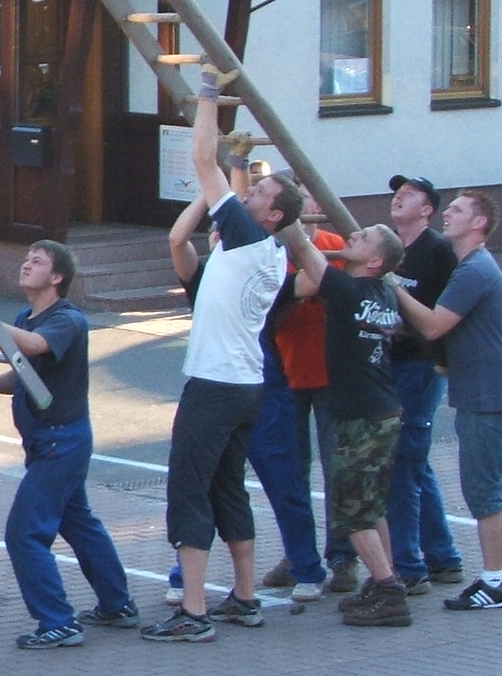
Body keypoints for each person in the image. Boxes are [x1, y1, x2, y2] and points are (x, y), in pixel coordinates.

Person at [146, 68, 293, 642]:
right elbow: (216, 194)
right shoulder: (264, 251)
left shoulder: (251, 239)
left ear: (272, 216)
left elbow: (201, 160)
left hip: (213, 384)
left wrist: (208, 95)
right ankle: (246, 597)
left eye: (258, 194)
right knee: (228, 487)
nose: (248, 194)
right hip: (246, 385)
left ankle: (193, 610)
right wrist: (241, 163)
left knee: (188, 489)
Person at [391, 191, 502, 610]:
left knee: (484, 491)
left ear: (478, 223)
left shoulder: (473, 269)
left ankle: (492, 582)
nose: (448, 215)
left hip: (485, 395)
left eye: (457, 210)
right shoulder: (479, 267)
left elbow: (433, 326)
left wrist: (392, 286)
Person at [0, 241, 136, 647]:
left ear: (56, 278)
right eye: (26, 257)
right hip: (47, 441)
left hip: (60, 442)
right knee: (78, 522)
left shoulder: (67, 319)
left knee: (24, 534)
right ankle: (117, 604)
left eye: (37, 261)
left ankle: (57, 621)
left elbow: (36, 346)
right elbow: (24, 375)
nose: (25, 264)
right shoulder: (25, 318)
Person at [285, 224, 411, 626]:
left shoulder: (348, 291)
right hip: (384, 410)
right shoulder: (383, 293)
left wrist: (290, 216)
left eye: (365, 237)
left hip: (360, 416)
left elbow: (303, 249)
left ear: (375, 261)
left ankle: (389, 593)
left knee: (352, 514)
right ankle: (385, 578)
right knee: (372, 506)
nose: (353, 235)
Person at [250, 197, 356, 602]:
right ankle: (298, 554)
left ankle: (343, 556)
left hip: (332, 375)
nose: (307, 215)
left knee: (338, 470)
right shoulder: (271, 253)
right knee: (290, 473)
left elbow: (333, 289)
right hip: (287, 374)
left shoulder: (337, 247)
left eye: (311, 205)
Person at [383, 176, 466, 594]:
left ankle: (408, 567)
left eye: (410, 193)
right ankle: (443, 557)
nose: (399, 197)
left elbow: (452, 309)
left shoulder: (438, 250)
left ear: (427, 210)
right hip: (391, 364)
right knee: (415, 463)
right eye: (398, 192)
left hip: (421, 366)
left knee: (402, 464)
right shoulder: (389, 247)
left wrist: (440, 352)